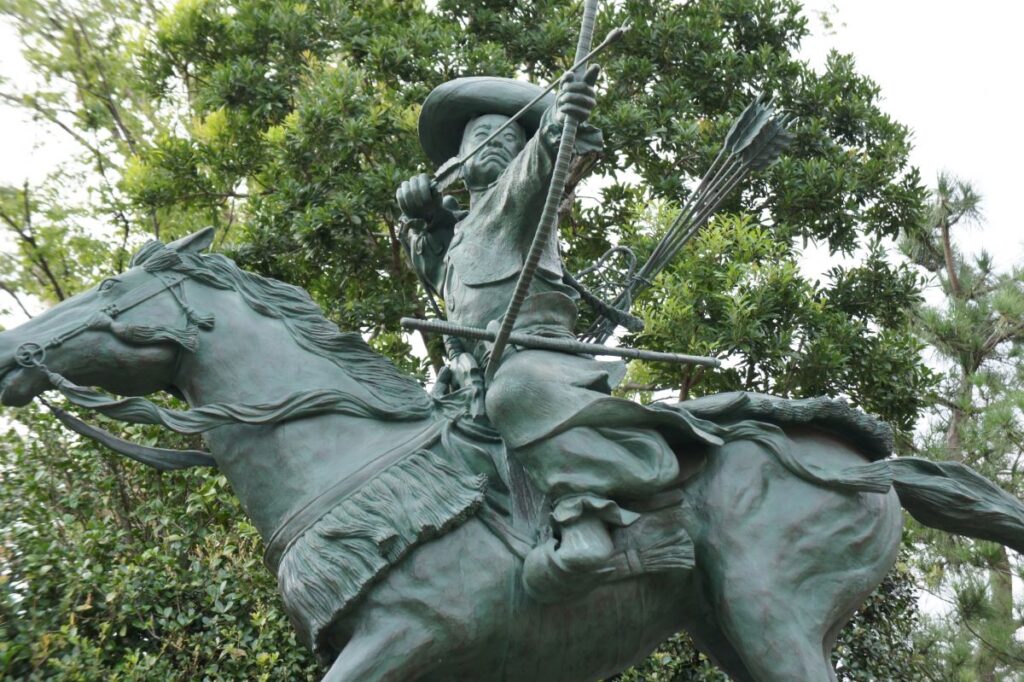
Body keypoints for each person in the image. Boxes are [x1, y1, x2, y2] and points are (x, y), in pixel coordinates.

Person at [397, 69, 719, 591]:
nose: (500, 143)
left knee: (516, 394)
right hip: (470, 379)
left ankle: (585, 518)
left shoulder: (521, 202)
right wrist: (426, 213)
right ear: (455, 161)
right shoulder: (458, 236)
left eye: (511, 136)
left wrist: (555, 125)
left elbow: (536, 167)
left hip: (533, 359)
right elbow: (437, 266)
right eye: (482, 135)